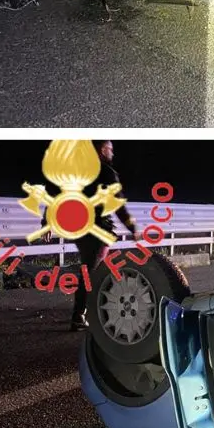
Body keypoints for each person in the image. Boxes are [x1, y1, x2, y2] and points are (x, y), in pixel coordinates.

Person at [70, 140, 136, 331]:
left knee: (88, 271)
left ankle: (83, 312)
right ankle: (80, 315)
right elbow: (118, 205)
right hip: (98, 229)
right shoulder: (107, 172)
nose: (112, 154)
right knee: (92, 273)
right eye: (110, 150)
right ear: (101, 150)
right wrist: (132, 228)